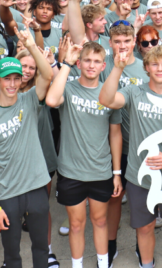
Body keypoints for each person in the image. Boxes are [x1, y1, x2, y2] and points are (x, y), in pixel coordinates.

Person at [99, 45, 162, 268]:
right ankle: (146, 265)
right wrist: (117, 68)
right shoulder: (135, 92)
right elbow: (105, 99)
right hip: (139, 178)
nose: (160, 68)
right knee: (144, 227)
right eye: (155, 64)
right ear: (146, 67)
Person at [0, 38, 54, 268]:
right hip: (7, 194)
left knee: (41, 248)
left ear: (22, 81)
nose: (11, 84)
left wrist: (31, 46)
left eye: (16, 79)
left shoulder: (29, 100)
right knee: (12, 255)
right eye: (6, 79)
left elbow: (47, 76)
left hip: (36, 187)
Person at [45, 41, 122, 268]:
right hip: (71, 171)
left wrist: (116, 172)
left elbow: (115, 134)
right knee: (76, 224)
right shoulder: (67, 88)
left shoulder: (109, 93)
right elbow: (51, 100)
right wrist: (66, 62)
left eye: (97, 61)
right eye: (87, 60)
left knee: (100, 221)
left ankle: (102, 263)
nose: (91, 65)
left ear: (103, 66)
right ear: (79, 63)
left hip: (100, 170)